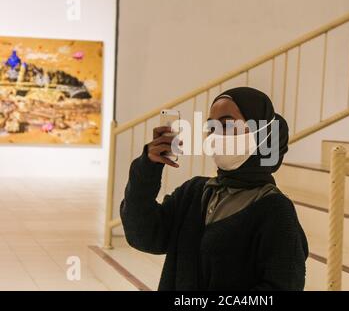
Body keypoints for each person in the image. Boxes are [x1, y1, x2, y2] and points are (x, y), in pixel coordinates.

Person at [120, 86, 309, 290]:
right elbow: (143, 236)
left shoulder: (275, 209)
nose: (215, 135)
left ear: (260, 132)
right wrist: (147, 168)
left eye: (226, 125)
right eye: (211, 128)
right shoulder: (194, 192)